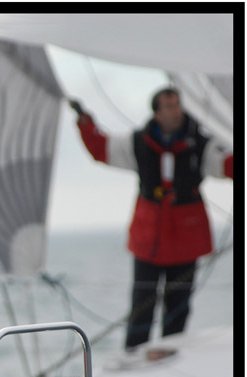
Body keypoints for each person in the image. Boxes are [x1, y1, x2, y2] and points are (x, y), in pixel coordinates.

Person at [69, 88, 235, 351]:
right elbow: (101, 149)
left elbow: (231, 165)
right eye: (169, 106)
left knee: (178, 305)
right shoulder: (137, 143)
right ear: (157, 113)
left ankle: (169, 353)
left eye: (178, 105)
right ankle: (134, 353)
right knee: (142, 302)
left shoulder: (202, 144)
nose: (175, 111)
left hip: (186, 239)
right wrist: (84, 120)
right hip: (149, 239)